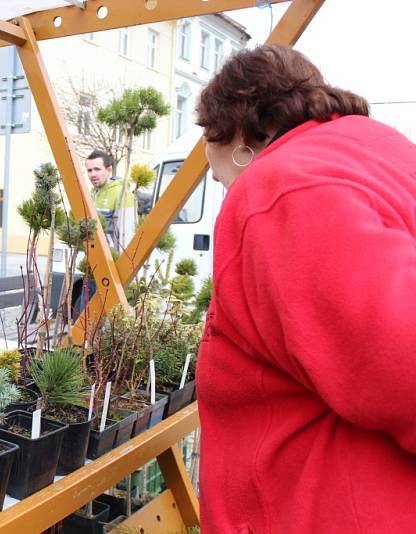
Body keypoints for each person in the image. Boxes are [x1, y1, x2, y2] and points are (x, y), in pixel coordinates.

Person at [195, 44, 416, 532]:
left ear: (234, 135)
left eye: (219, 176)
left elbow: (401, 360)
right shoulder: (377, 149)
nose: (221, 183)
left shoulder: (281, 189)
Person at [85, 150, 135, 251]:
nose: (93, 174)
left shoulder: (123, 194)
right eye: (89, 170)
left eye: (97, 169)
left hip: (112, 260)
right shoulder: (92, 193)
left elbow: (127, 237)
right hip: (93, 256)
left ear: (109, 170)